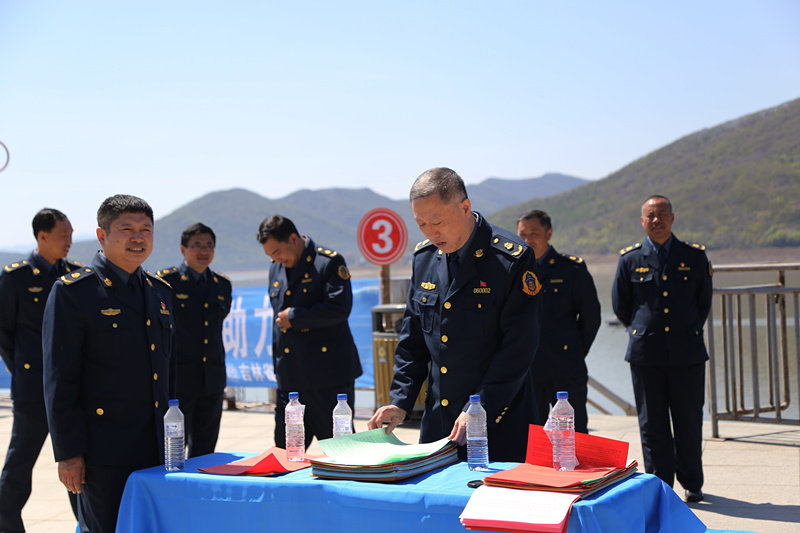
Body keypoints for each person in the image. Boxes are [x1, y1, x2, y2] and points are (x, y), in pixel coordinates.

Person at [368, 167, 542, 462]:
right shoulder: (424, 259)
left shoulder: (510, 259)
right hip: (440, 427)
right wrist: (400, 400)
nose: (430, 232)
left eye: (437, 222)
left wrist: (481, 406)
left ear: (465, 207)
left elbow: (519, 348)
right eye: (421, 223)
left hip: (499, 424)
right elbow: (412, 341)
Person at [42, 195, 175, 533]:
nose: (138, 238)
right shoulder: (75, 292)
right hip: (103, 453)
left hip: (157, 447)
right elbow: (60, 379)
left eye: (146, 230)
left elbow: (167, 371)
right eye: (127, 229)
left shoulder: (159, 292)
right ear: (102, 235)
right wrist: (68, 453)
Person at [611, 195, 712, 503]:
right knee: (652, 424)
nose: (657, 220)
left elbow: (703, 303)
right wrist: (645, 329)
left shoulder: (694, 256)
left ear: (672, 217)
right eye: (651, 216)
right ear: (642, 221)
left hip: (687, 353)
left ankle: (692, 483)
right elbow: (621, 306)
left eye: (662, 214)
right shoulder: (630, 259)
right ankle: (660, 486)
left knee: (688, 421)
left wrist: (684, 329)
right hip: (647, 353)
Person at [0, 208, 81, 533]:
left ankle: (88, 524)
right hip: (33, 389)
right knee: (20, 463)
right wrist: (23, 368)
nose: (69, 241)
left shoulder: (76, 276)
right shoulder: (16, 277)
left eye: (71, 235)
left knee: (79, 464)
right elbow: (4, 331)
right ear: (42, 236)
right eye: (63, 235)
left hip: (73, 388)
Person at [256, 215, 362, 449]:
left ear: (294, 239)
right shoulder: (276, 268)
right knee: (285, 455)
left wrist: (295, 317)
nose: (276, 258)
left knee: (341, 453)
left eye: (278, 251)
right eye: (271, 255)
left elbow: (340, 308)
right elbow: (278, 327)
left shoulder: (328, 263)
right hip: (290, 382)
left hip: (327, 381)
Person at [516, 209, 601, 434]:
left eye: (534, 233)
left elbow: (591, 317)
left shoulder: (571, 269)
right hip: (527, 370)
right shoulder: (513, 270)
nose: (527, 240)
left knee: (573, 436)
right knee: (531, 438)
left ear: (549, 233)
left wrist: (575, 350)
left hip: (565, 368)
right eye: (522, 234)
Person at [157, 223, 232, 458]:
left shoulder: (222, 285)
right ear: (183, 249)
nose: (204, 251)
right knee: (173, 449)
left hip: (212, 379)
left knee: (205, 450)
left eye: (209, 246)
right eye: (197, 245)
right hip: (178, 380)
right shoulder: (166, 282)